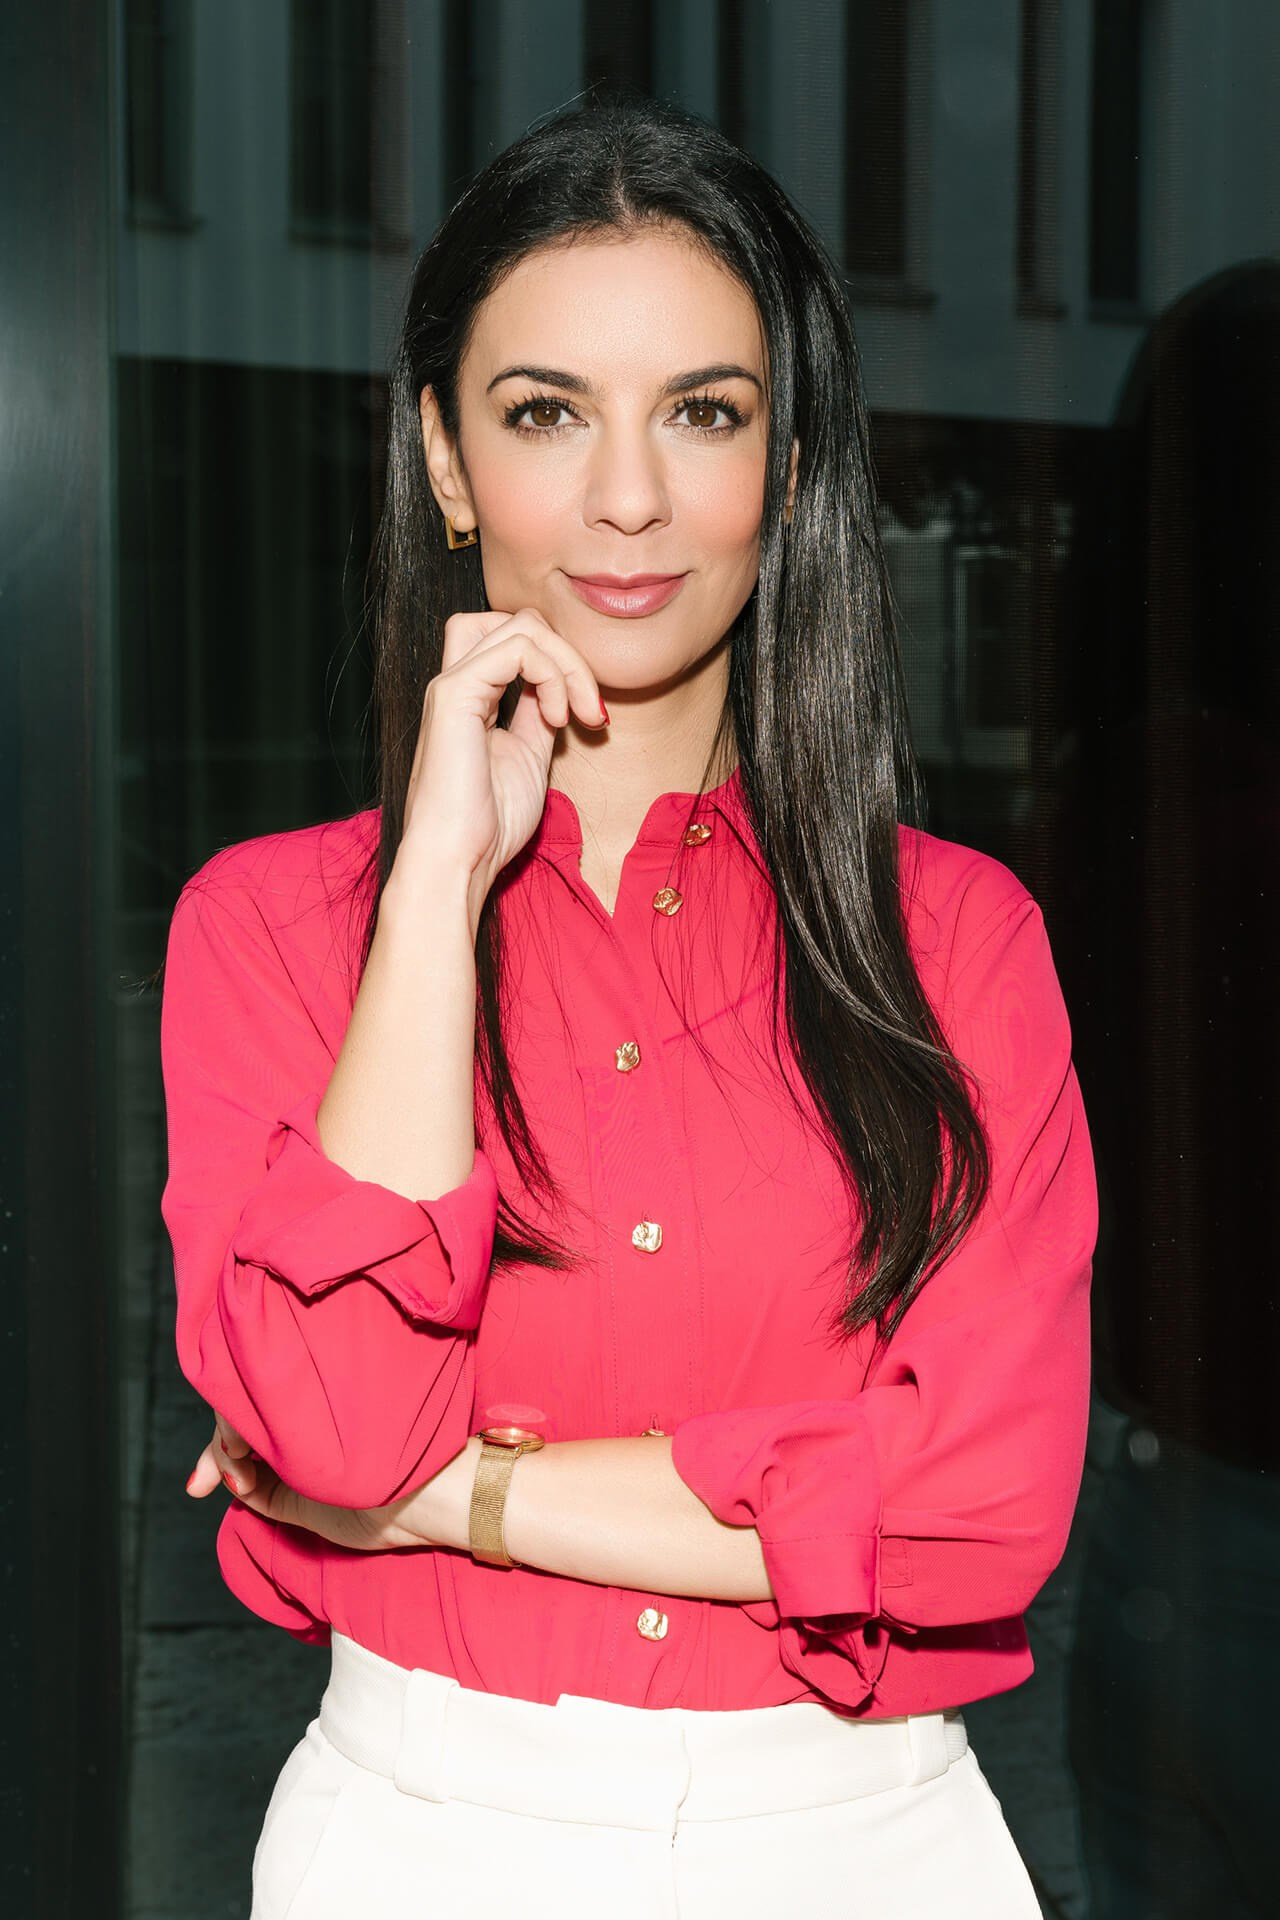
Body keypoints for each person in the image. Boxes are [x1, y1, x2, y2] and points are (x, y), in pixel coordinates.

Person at [160, 97, 1095, 1919]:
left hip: (870, 1846)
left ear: (791, 464)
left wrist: (452, 1496)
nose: (631, 498)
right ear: (445, 461)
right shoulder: (275, 929)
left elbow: (980, 1505)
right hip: (417, 1843)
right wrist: (436, 882)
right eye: (544, 413)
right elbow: (336, 1421)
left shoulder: (959, 940)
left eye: (704, 411)